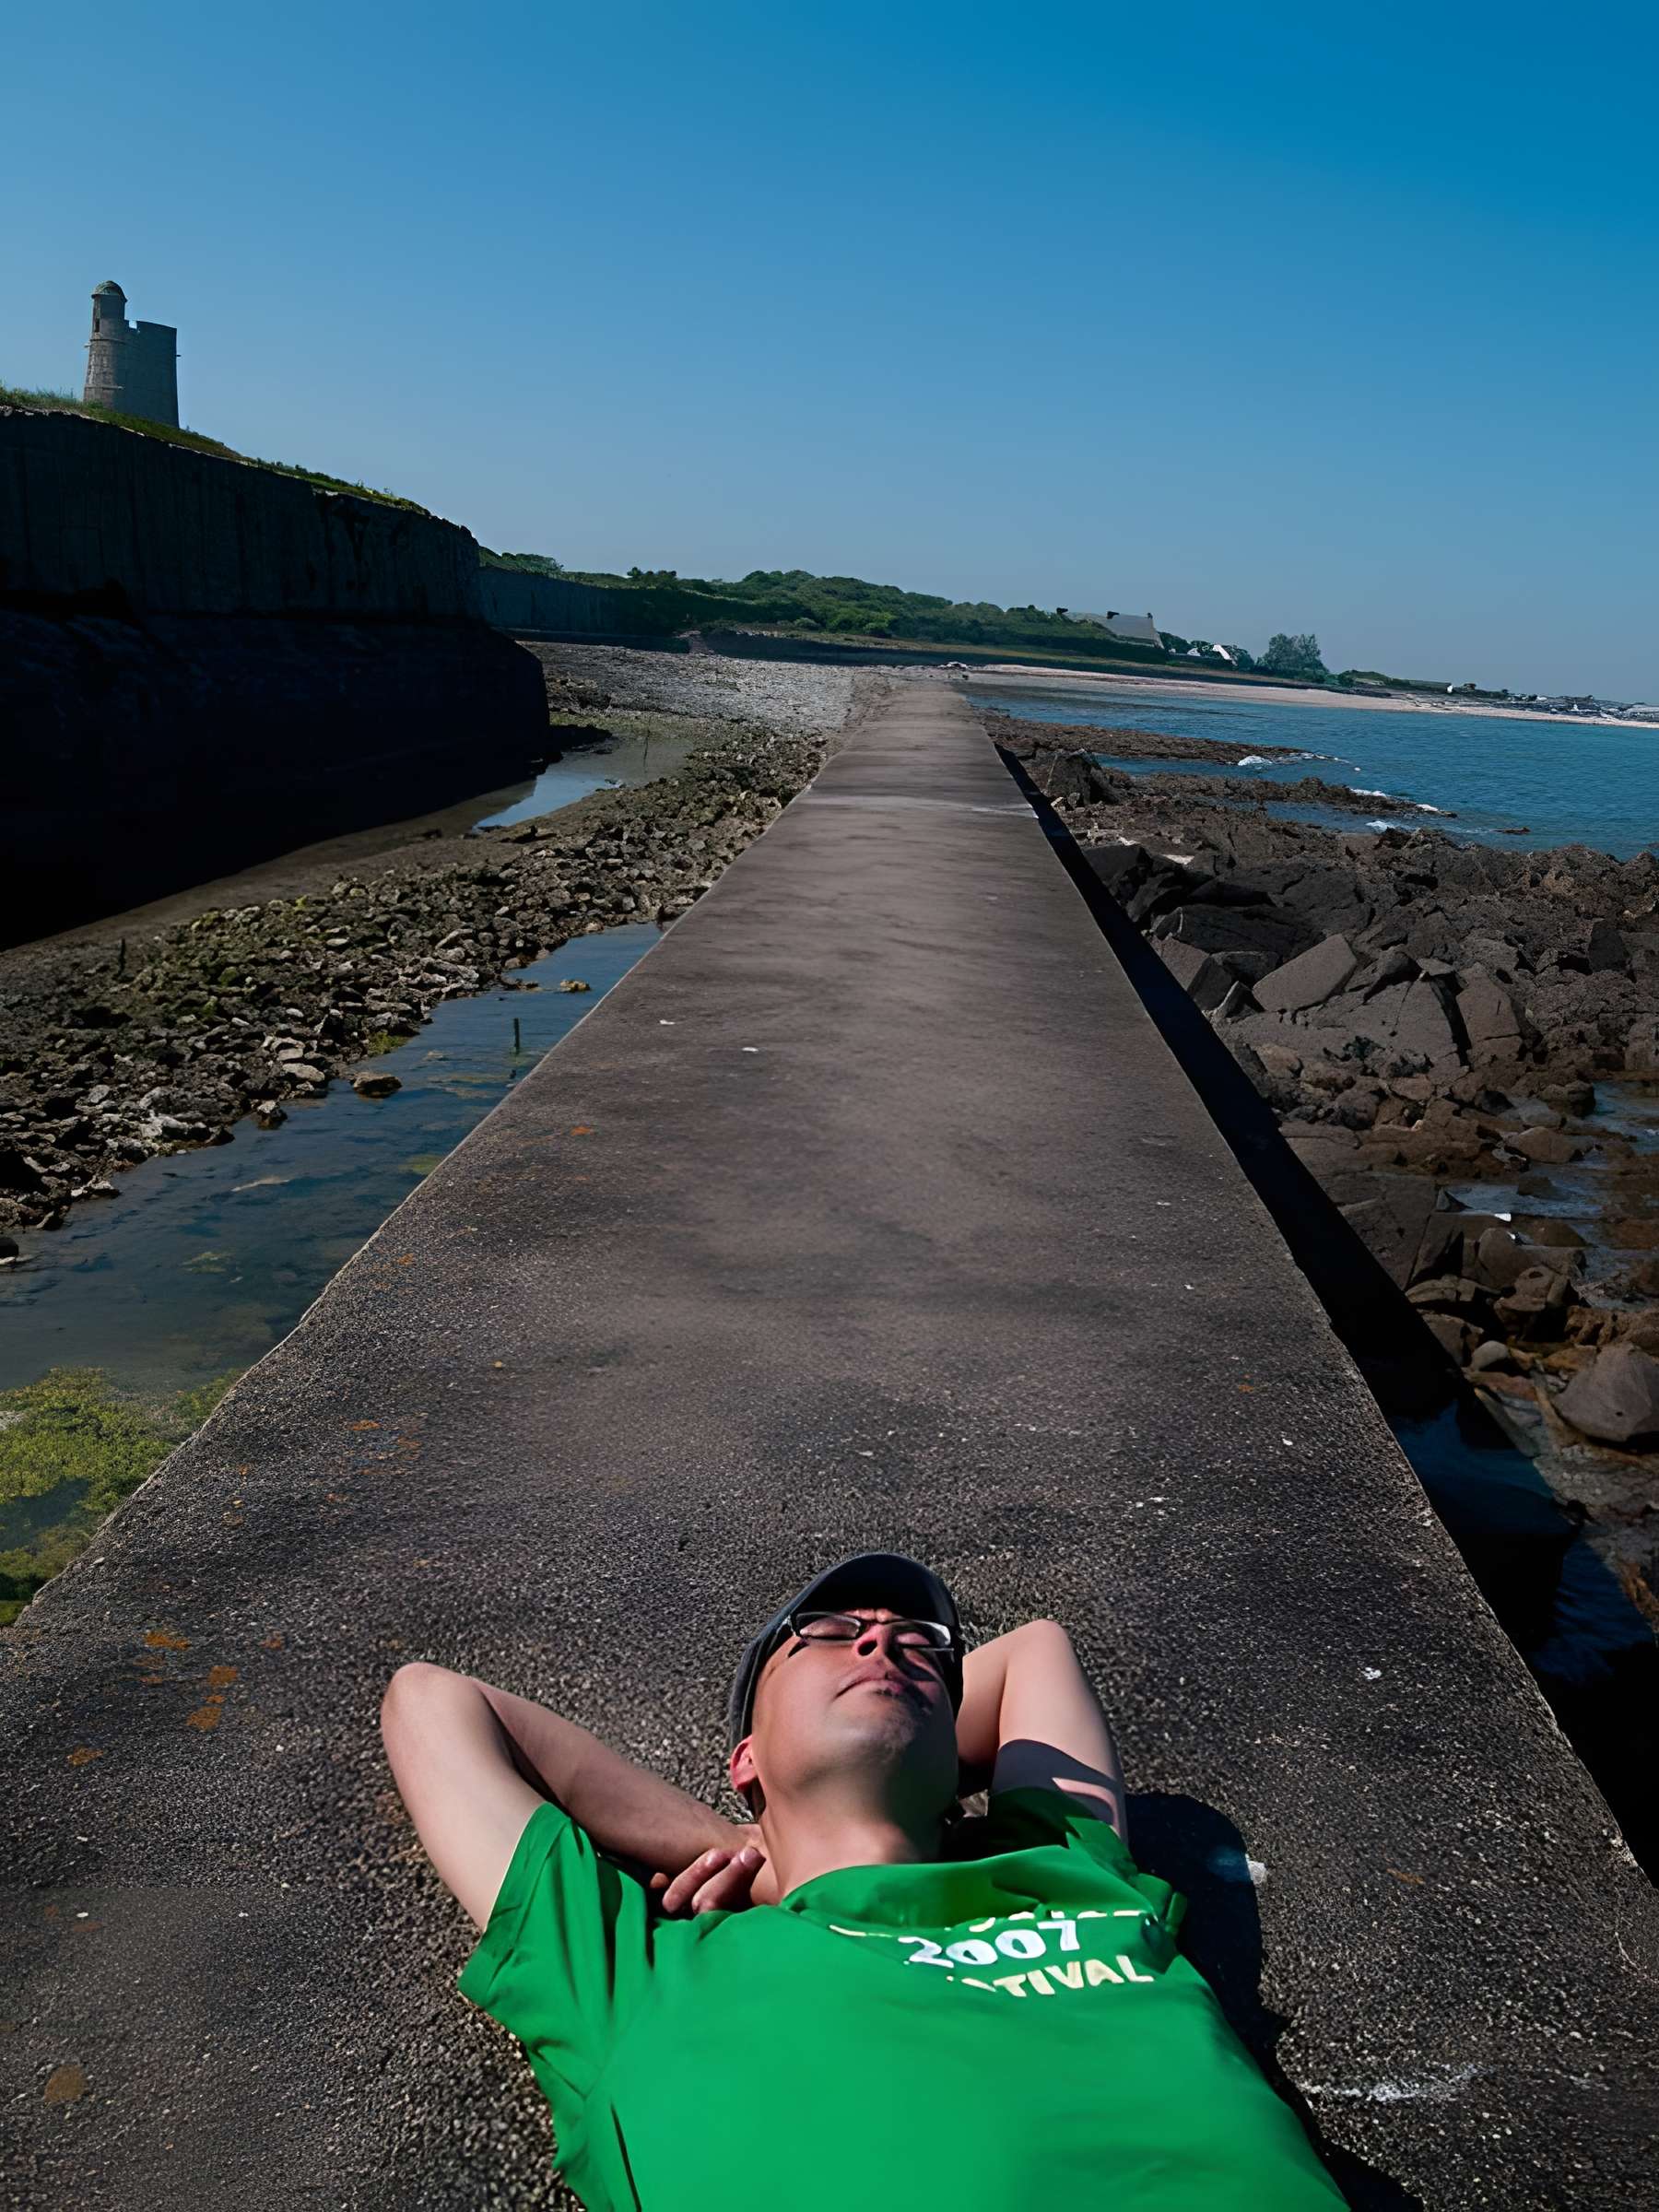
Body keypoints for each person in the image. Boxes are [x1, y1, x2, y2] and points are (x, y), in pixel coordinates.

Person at [381, 1550, 1345, 2209]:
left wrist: (796, 1822)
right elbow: (434, 1703)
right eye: (832, 1631)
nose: (887, 1641)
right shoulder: (634, 1974)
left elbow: (1035, 1649)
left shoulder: (1063, 1870)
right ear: (745, 1755)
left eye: (922, 1644)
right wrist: (746, 1847)